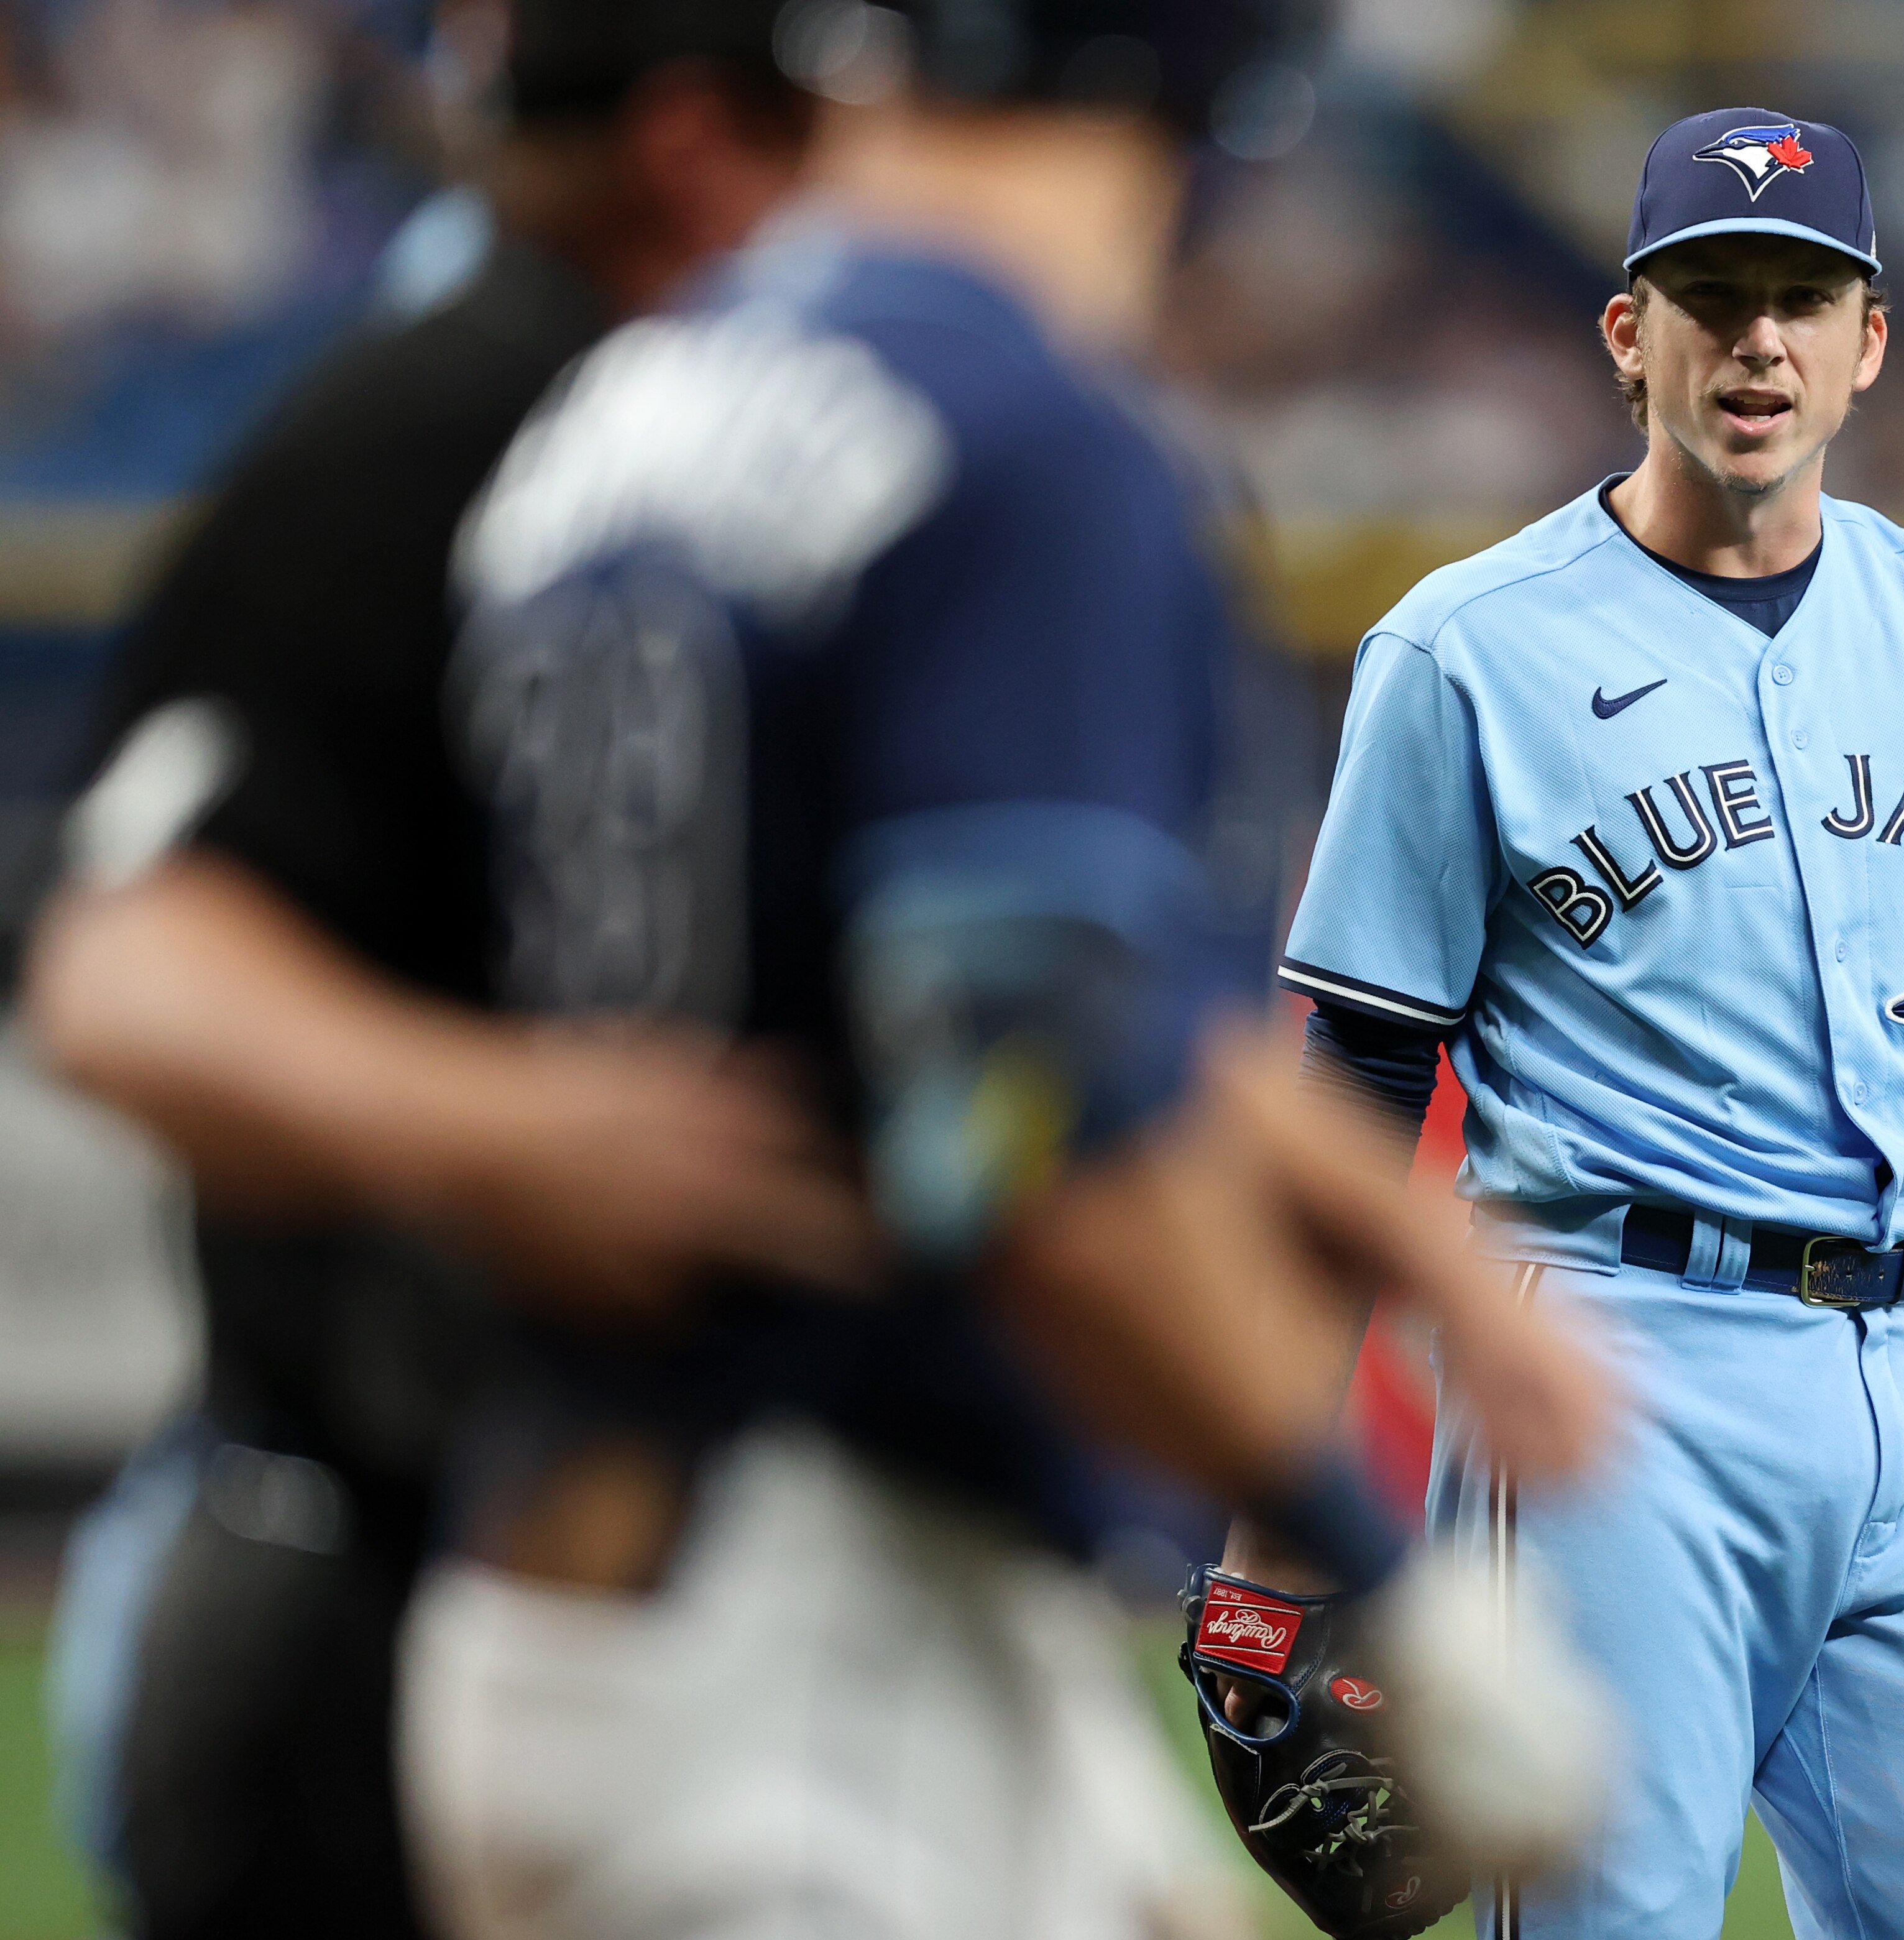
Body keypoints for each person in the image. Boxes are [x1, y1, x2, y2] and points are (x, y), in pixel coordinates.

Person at [392, 6, 1611, 1939]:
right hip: (810, 1631)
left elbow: (951, 983)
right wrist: (1390, 1585)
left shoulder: (634, 396)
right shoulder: (1031, 431)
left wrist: (1421, 1257)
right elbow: (1013, 1134)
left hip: (586, 1566)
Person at [1256, 107, 1904, 1939]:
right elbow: (1358, 1083)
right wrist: (1275, 1508)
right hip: (1612, 1378)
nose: (1755, 339)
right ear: (1629, 336)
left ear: (1867, 343)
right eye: (1710, 298)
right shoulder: (1464, 652)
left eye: (1797, 298)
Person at [27, 9, 819, 1934]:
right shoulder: (437, 419)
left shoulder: (736, 426)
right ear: (699, 144)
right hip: (375, 1572)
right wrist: (515, 1127)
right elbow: (122, 970)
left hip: (650, 1579)